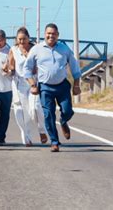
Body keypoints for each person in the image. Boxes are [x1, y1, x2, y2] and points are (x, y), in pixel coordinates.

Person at [24, 23, 81, 152]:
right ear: (45, 34)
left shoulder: (64, 49)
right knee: (48, 114)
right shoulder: (36, 49)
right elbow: (26, 68)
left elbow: (75, 67)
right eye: (48, 33)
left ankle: (63, 121)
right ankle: (54, 142)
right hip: (45, 87)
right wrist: (32, 84)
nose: (51, 36)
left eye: (54, 34)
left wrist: (77, 85)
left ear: (58, 35)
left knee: (67, 111)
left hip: (62, 86)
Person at [8, 27, 48, 146]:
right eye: (19, 39)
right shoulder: (13, 50)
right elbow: (10, 66)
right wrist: (9, 69)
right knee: (22, 111)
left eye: (24, 39)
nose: (21, 42)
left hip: (33, 83)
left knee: (35, 107)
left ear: (28, 38)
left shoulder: (36, 49)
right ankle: (26, 136)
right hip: (19, 84)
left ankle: (42, 130)